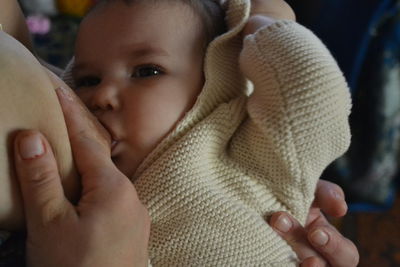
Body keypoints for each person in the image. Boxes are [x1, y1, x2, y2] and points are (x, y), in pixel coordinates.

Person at [0, 0, 359, 266]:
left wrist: (268, 27)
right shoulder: (76, 177)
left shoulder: (253, 154)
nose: (101, 97)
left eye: (146, 72)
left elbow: (315, 101)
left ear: (215, 81)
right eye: (88, 80)